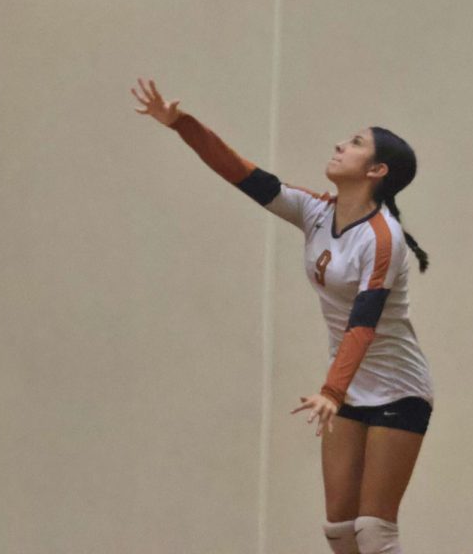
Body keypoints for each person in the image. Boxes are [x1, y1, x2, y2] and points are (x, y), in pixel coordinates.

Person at [131, 78, 434, 554]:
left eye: (355, 143)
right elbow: (244, 175)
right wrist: (181, 125)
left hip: (397, 388)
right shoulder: (315, 212)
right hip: (346, 389)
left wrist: (332, 390)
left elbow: (365, 320)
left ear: (377, 170)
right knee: (339, 531)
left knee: (374, 532)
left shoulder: (382, 237)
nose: (340, 143)